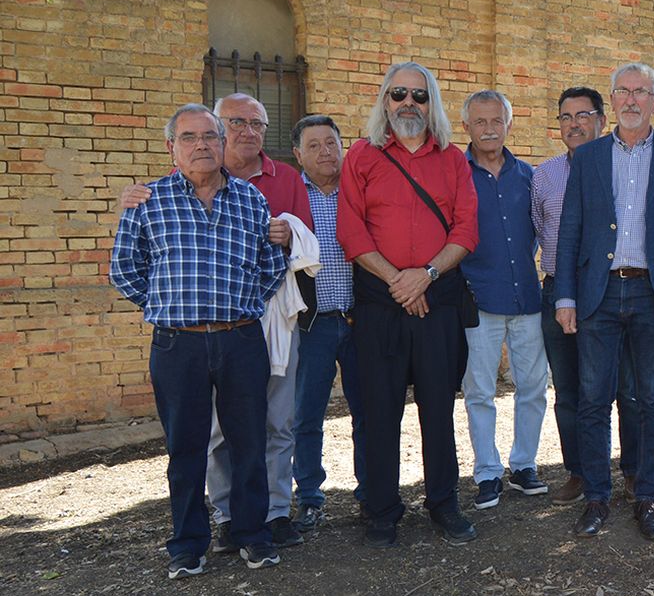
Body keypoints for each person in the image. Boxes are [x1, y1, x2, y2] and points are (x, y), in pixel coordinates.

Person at [119, 93, 310, 549]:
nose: (201, 144)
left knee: (249, 442)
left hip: (240, 338)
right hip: (177, 342)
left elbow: (271, 266)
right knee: (186, 448)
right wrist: (168, 307)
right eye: (189, 137)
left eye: (209, 136)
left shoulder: (249, 199)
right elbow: (125, 269)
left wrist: (242, 306)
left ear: (221, 143)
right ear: (172, 147)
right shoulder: (148, 201)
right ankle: (188, 544)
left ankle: (252, 533)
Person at [554, 62, 654, 541]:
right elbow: (570, 230)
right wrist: (566, 296)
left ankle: (647, 497)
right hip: (598, 292)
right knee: (594, 399)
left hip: (653, 293)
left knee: (653, 400)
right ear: (612, 101)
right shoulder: (589, 158)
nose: (632, 100)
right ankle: (596, 498)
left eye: (641, 92)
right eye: (623, 91)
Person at [337, 60, 479, 548]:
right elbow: (350, 229)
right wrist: (399, 281)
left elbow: (467, 229)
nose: (408, 104)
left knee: (438, 410)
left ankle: (443, 504)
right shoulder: (362, 155)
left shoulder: (453, 159)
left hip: (437, 300)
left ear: (431, 102)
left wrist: (425, 276)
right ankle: (381, 509)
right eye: (399, 94)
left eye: (419, 95)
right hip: (380, 302)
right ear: (385, 100)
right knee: (379, 412)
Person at [531, 86, 642, 505]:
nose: (574, 124)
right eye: (565, 117)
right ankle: (579, 472)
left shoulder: (621, 168)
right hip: (558, 289)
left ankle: (632, 470)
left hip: (610, 290)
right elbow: (541, 230)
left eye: (583, 115)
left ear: (601, 120)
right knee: (569, 390)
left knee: (626, 385)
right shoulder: (544, 175)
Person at [459, 89, 550, 509]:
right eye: (480, 122)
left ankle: (524, 465)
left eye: (496, 121)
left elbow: (542, 228)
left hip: (526, 298)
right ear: (466, 127)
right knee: (479, 391)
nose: (489, 129)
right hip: (477, 298)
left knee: (532, 387)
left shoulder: (529, 176)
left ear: (509, 125)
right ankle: (487, 472)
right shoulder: (456, 176)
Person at [288, 114, 367, 531]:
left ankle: (370, 492)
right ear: (298, 154)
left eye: (331, 143)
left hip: (359, 320)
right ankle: (310, 496)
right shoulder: (291, 197)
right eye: (314, 145)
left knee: (367, 411)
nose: (325, 152)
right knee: (307, 414)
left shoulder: (358, 191)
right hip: (312, 324)